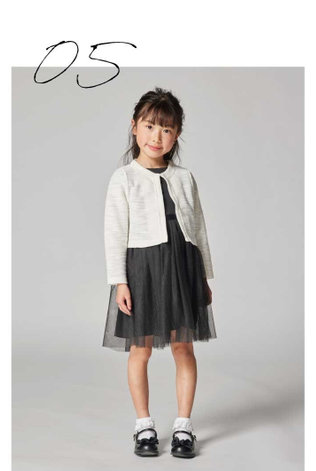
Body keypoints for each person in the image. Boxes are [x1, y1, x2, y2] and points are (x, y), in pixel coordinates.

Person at [101, 87, 216, 458]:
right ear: (134, 126)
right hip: (143, 270)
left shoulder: (184, 177)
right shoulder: (124, 178)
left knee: (183, 346)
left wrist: (204, 276)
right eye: (150, 126)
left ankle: (183, 426)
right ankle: (144, 425)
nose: (157, 136)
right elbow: (114, 233)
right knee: (141, 349)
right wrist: (120, 281)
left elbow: (198, 228)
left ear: (176, 134)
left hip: (182, 267)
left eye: (166, 129)